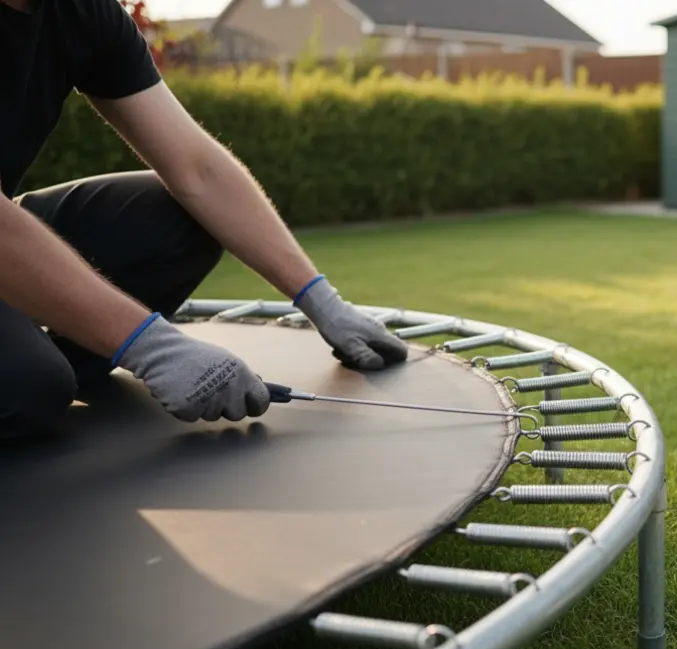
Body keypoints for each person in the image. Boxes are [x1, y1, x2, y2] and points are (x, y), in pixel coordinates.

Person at [0, 0, 408, 440]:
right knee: (30, 385)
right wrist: (152, 346)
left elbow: (197, 168)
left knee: (177, 219)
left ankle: (41, 356)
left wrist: (321, 299)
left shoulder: (81, 11)